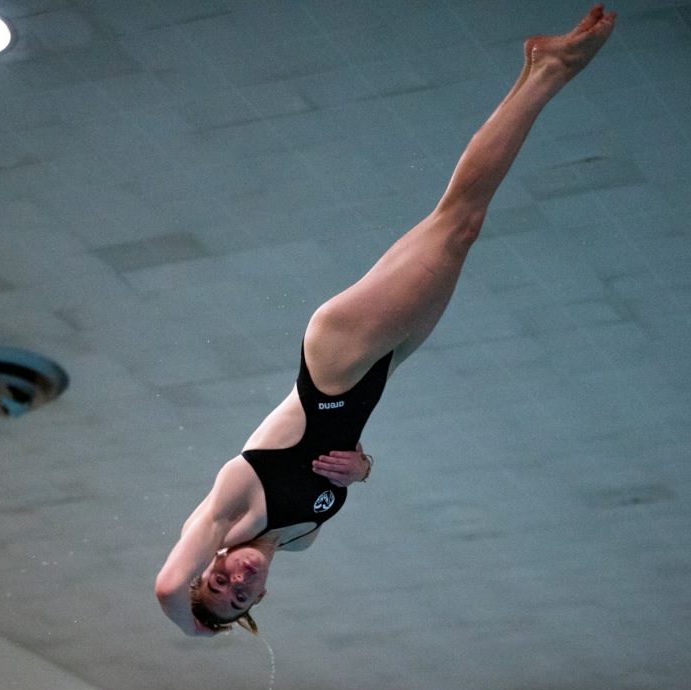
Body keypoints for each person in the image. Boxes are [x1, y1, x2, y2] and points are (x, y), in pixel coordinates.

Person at [155, 6, 617, 636]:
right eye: (241, 599)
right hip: (374, 373)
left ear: (205, 566)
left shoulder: (229, 508)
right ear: (259, 602)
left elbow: (164, 590)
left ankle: (550, 72)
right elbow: (340, 464)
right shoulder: (302, 539)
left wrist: (199, 627)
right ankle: (539, 66)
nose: (238, 580)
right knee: (457, 224)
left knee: (459, 223)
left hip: (336, 358)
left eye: (218, 583)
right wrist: (364, 469)